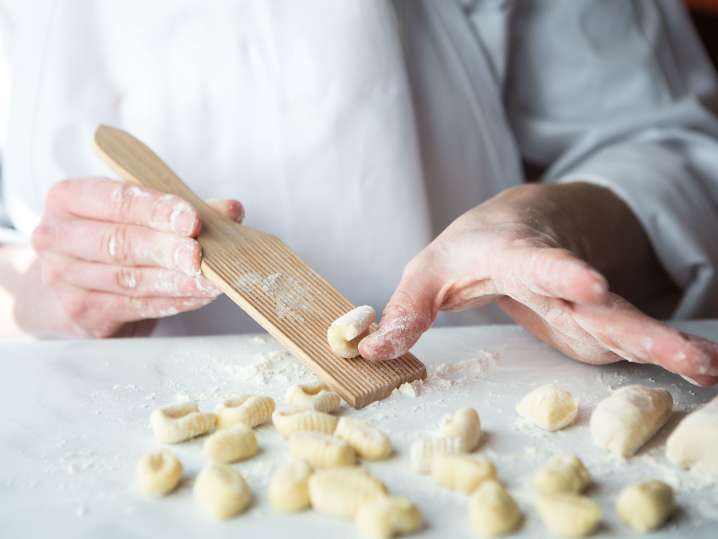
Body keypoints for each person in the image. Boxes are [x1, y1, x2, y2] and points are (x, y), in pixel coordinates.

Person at [0, 1, 717, 386]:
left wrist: (555, 223)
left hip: (476, 382)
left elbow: (670, 149)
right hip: (96, 423)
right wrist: (44, 294)